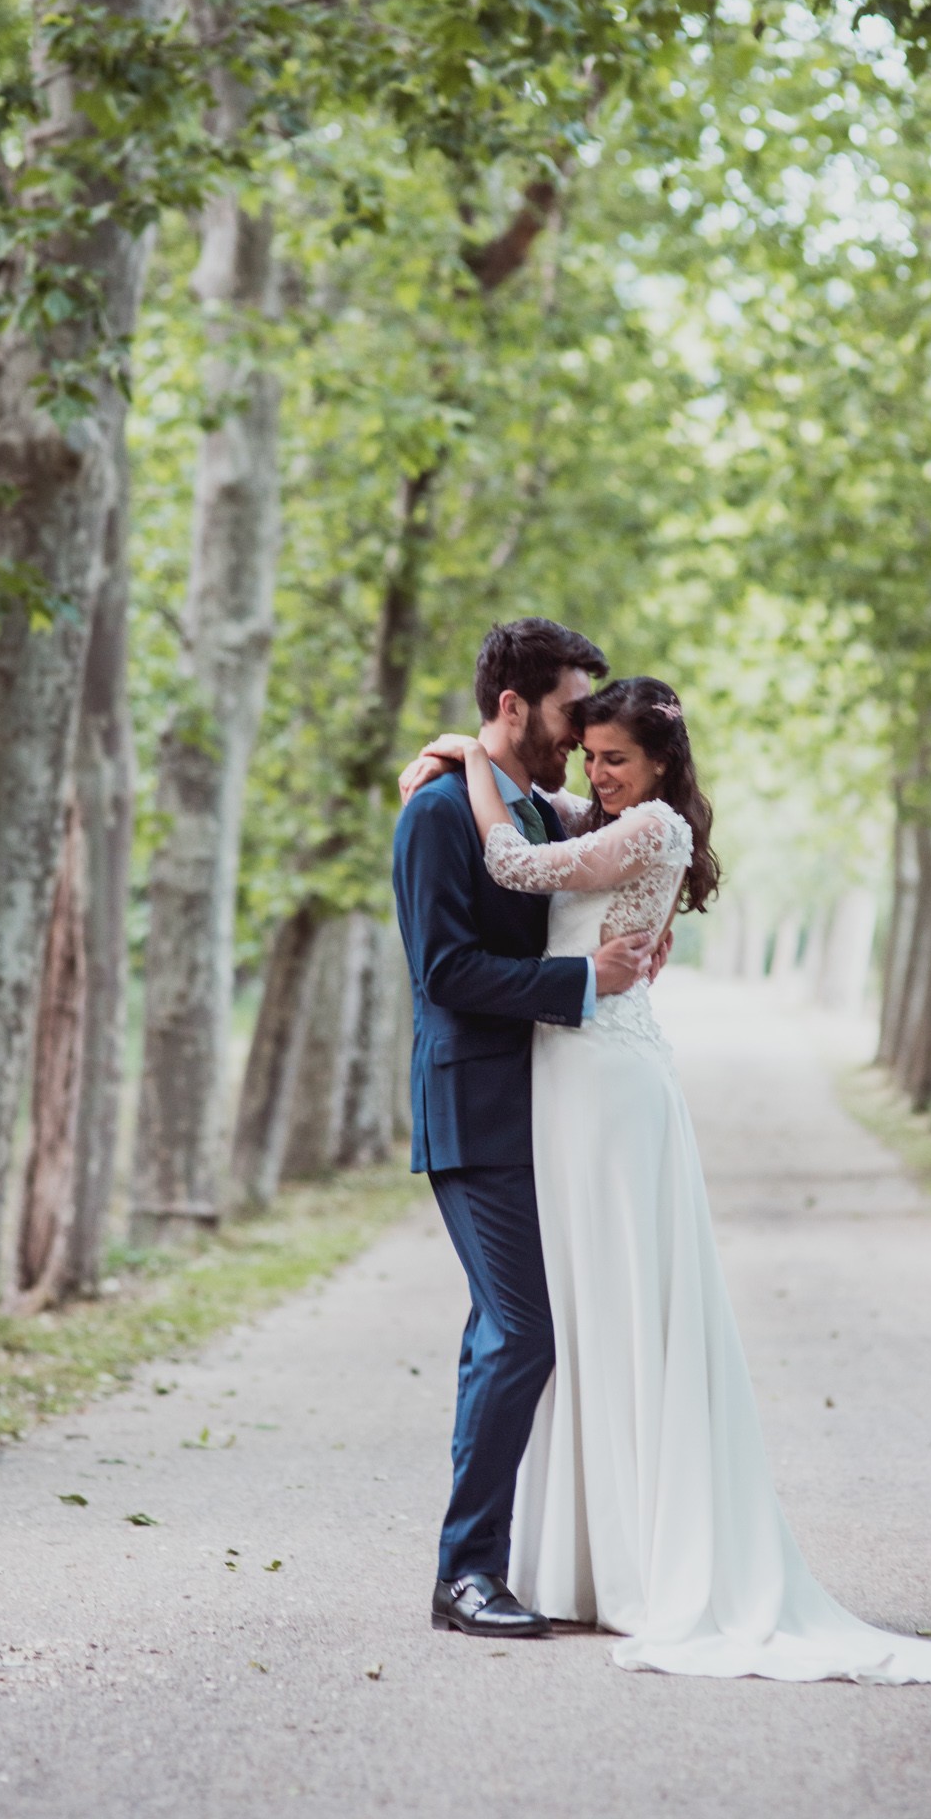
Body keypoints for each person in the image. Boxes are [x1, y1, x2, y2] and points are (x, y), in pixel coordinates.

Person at [404, 672, 931, 1683]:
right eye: (585, 748)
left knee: (612, 1313)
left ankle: (609, 1560)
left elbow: (514, 860)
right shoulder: (581, 809)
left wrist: (466, 756)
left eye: (615, 755)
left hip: (601, 1078)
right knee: (566, 1323)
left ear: (666, 762)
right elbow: (482, 919)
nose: (596, 769)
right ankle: (563, 1559)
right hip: (556, 1082)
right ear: (525, 707)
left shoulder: (642, 826)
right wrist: (467, 755)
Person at [391, 619, 660, 1639]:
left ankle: (484, 1565)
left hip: (549, 1110)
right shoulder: (433, 819)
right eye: (565, 712)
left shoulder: (533, 812)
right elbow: (445, 973)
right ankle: (465, 1574)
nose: (579, 732)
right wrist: (579, 980)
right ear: (511, 707)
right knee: (522, 1332)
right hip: (476, 1111)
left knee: (495, 1336)